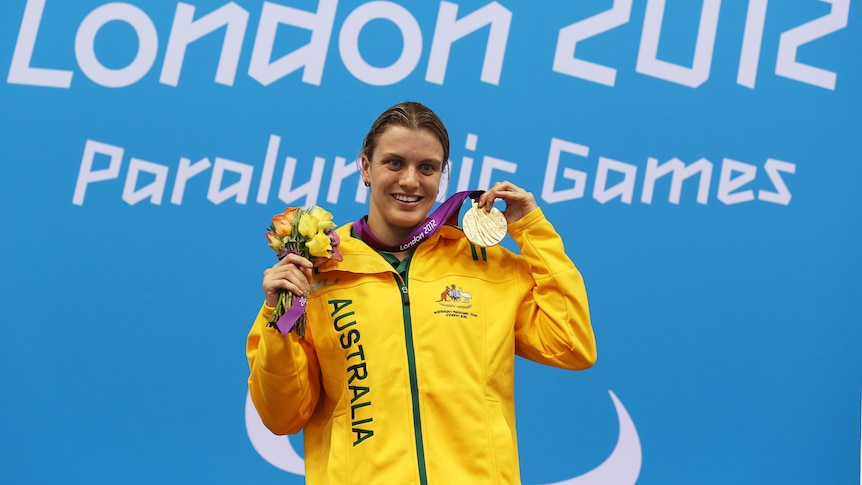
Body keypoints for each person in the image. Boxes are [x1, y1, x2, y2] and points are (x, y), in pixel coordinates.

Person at [247, 101, 596, 484]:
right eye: (394, 163)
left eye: (427, 167)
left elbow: (572, 344)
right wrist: (277, 317)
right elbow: (281, 416)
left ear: (443, 174)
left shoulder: (487, 265)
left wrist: (530, 227)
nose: (411, 181)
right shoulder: (317, 273)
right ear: (365, 166)